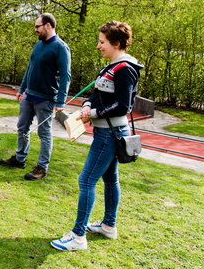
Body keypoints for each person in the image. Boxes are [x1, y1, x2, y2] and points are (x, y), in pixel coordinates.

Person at [51, 21, 143, 251]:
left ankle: (77, 236)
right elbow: (98, 93)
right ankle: (108, 226)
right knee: (110, 179)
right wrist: (87, 104)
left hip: (110, 134)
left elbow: (123, 105)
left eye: (102, 42)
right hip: (105, 131)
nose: (98, 46)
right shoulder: (110, 67)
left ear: (116, 43)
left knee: (86, 180)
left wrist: (92, 113)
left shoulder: (125, 69)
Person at [0, 13, 71, 180]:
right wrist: (22, 88)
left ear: (48, 26)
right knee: (22, 128)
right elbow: (30, 68)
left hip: (46, 99)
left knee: (44, 134)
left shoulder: (60, 47)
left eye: (37, 26)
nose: (35, 29)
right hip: (29, 96)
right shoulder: (38, 44)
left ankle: (42, 167)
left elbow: (66, 76)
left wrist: (61, 100)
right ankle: (19, 159)